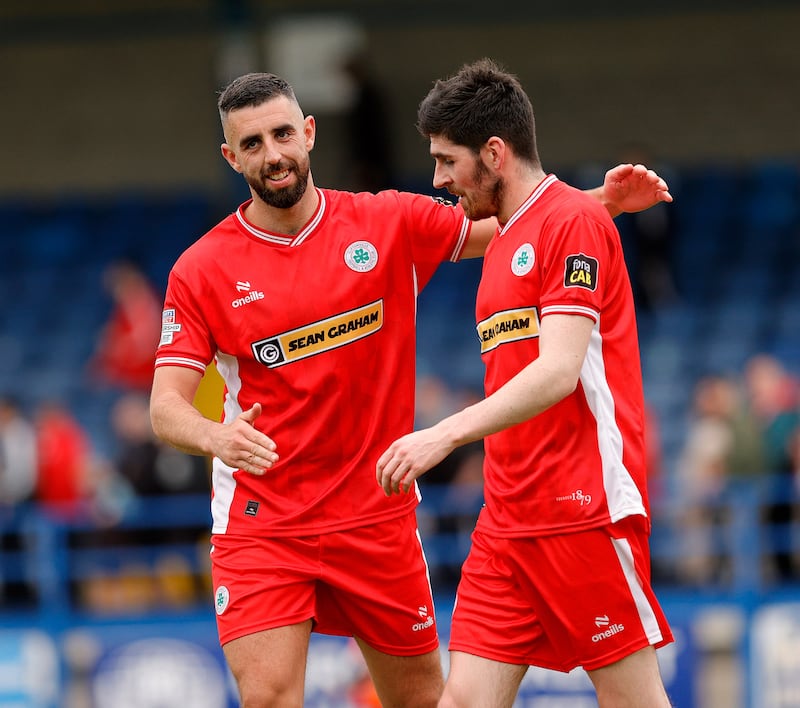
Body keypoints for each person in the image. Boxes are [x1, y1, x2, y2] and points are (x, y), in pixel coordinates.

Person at [149, 70, 672, 707]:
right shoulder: (202, 269)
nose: (274, 154)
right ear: (232, 157)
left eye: (283, 133)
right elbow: (165, 407)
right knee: (269, 697)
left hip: (378, 516)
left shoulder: (384, 221)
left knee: (422, 698)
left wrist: (601, 202)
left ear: (308, 134)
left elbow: (510, 225)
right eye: (252, 143)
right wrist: (216, 434)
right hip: (267, 523)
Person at [376, 59, 673, 707]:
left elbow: (559, 371)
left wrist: (445, 434)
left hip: (582, 513)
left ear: (494, 153)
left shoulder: (573, 223)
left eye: (446, 160)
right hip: (506, 523)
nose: (438, 179)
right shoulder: (509, 236)